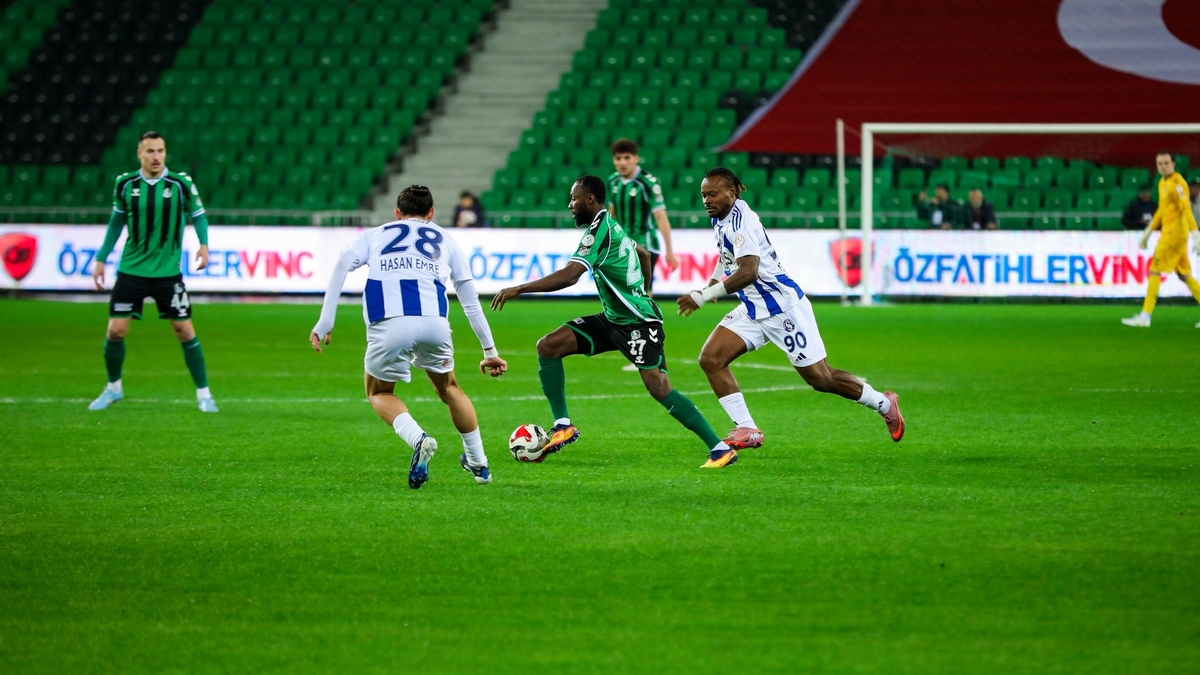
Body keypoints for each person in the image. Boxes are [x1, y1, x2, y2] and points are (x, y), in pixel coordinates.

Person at [490, 175, 739, 468]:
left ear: (590, 200)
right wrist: (645, 291)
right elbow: (643, 254)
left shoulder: (598, 233)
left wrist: (519, 288)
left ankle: (719, 448)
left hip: (638, 324)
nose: (570, 205)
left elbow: (571, 275)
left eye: (574, 199)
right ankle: (563, 425)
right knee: (549, 345)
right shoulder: (612, 225)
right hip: (613, 320)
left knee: (659, 388)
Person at [676, 167, 905, 450]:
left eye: (713, 194)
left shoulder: (742, 222)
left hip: (782, 308)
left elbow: (748, 271)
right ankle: (746, 428)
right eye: (703, 195)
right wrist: (713, 278)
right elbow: (727, 253)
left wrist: (703, 295)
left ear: (732, 192)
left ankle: (884, 404)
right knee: (711, 359)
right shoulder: (721, 217)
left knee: (821, 379)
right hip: (752, 308)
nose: (707, 200)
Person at [310, 185, 509, 489]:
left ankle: (420, 438)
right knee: (450, 388)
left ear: (397, 213)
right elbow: (470, 300)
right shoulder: (446, 238)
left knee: (379, 393)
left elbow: (340, 264)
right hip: (434, 323)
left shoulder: (376, 234)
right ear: (431, 214)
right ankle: (479, 465)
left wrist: (326, 320)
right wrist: (489, 350)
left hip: (389, 323)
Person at [89, 131, 217, 413]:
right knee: (116, 332)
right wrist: (101, 257)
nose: (157, 156)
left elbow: (198, 215)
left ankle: (204, 394)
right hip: (131, 270)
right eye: (150, 151)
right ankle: (113, 388)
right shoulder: (125, 184)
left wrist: (204, 245)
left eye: (161, 150)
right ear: (139, 154)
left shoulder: (180, 183)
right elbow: (115, 222)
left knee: (184, 330)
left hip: (167, 273)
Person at [1122, 152, 1200, 328]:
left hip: (1173, 235)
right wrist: (1147, 233)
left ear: (1173, 164)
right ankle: (1144, 316)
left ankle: (1145, 316)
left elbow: (1186, 209)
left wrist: (1196, 235)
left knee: (1154, 271)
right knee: (1185, 275)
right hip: (1173, 234)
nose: (1163, 166)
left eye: (1166, 163)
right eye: (1159, 164)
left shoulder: (1177, 184)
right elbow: (1161, 212)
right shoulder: (1162, 183)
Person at [606, 138, 678, 293]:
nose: (623, 163)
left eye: (627, 158)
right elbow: (612, 215)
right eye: (618, 159)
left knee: (642, 292)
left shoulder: (647, 183)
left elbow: (661, 218)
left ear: (636, 159)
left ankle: (647, 317)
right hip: (623, 245)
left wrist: (669, 251)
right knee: (623, 293)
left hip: (645, 245)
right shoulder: (613, 182)